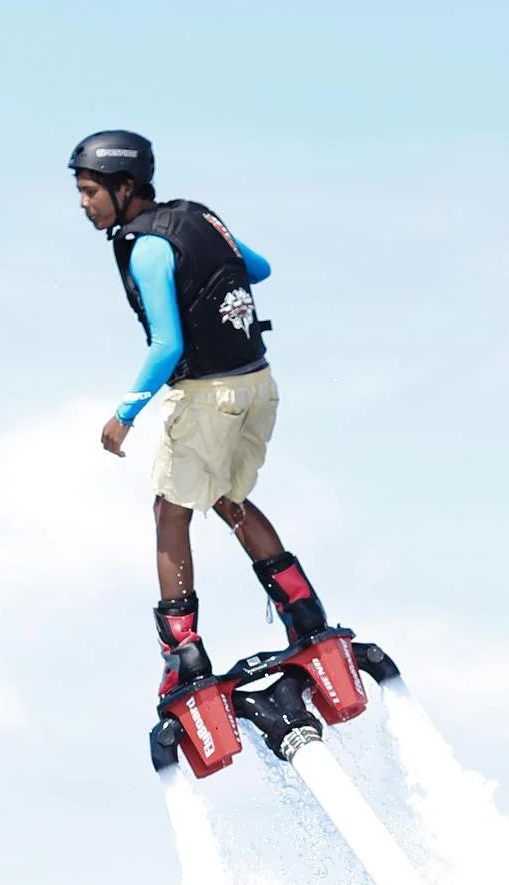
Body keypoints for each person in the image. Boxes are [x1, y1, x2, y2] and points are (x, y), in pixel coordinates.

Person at [70, 128, 332, 695]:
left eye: (91, 191)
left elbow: (166, 345)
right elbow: (258, 269)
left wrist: (126, 414)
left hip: (209, 396)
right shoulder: (200, 218)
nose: (84, 204)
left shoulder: (146, 248)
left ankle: (183, 654)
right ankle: (305, 614)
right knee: (226, 497)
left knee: (171, 511)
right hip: (258, 385)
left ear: (125, 186)